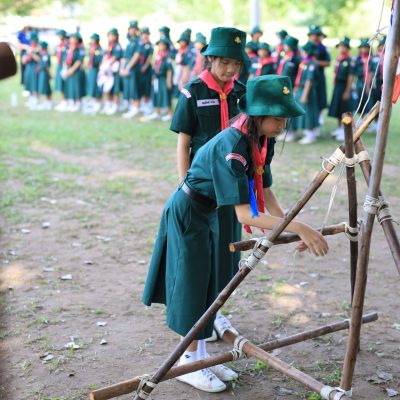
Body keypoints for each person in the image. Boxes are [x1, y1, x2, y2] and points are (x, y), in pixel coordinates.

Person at [142, 74, 329, 393]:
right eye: (277, 117)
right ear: (257, 115)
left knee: (210, 282)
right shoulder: (233, 147)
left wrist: (289, 225)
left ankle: (201, 356)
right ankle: (187, 362)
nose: (283, 124)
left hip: (210, 211)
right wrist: (299, 227)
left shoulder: (259, 139)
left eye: (285, 117)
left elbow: (264, 189)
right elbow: (246, 214)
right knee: (192, 284)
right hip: (190, 212)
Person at [170, 27, 249, 344]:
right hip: (202, 187)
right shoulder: (192, 92)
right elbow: (184, 142)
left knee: (227, 250)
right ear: (211, 59)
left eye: (236, 64)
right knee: (201, 252)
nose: (230, 70)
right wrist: (184, 181)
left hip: (231, 186)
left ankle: (217, 311)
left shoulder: (242, 93)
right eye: (224, 62)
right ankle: (200, 314)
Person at [292, 41, 320, 144]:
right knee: (303, 111)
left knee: (308, 112)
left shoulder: (312, 63)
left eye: (303, 50)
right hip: (301, 88)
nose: (301, 52)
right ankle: (305, 132)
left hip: (307, 91)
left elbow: (309, 80)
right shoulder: (304, 62)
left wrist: (304, 94)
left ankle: (310, 134)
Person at [328, 36, 355, 141]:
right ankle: (339, 129)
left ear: (347, 48)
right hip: (338, 87)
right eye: (339, 47)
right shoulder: (339, 59)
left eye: (343, 47)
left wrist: (347, 91)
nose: (340, 49)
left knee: (345, 110)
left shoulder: (349, 60)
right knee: (338, 109)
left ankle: (346, 131)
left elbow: (351, 76)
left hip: (344, 86)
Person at [307, 25, 330, 125]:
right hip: (307, 76)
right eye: (312, 35)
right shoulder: (306, 47)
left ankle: (319, 115)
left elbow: (327, 63)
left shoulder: (323, 48)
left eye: (316, 35)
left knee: (320, 96)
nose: (314, 37)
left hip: (319, 76)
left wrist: (315, 62)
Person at [148, 37, 174, 121]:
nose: (160, 46)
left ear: (166, 46)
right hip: (157, 78)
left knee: (166, 95)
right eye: (159, 44)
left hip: (164, 78)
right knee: (156, 94)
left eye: (162, 44)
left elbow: (169, 69)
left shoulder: (168, 55)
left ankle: (170, 113)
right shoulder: (157, 55)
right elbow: (154, 67)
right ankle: (156, 112)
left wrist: (169, 81)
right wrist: (153, 78)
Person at [121, 21, 142, 118]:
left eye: (134, 28)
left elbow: (136, 56)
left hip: (134, 69)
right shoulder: (129, 42)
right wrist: (122, 68)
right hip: (127, 68)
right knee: (129, 88)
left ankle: (136, 108)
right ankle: (132, 107)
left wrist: (127, 67)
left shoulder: (138, 41)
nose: (132, 30)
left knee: (135, 88)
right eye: (130, 29)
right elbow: (125, 57)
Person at [100, 28, 123, 115]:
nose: (111, 37)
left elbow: (115, 57)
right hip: (107, 71)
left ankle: (115, 105)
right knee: (107, 88)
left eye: (112, 35)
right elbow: (105, 56)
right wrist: (103, 66)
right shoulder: (108, 46)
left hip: (114, 71)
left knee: (115, 89)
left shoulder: (117, 46)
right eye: (109, 35)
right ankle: (108, 104)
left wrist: (107, 64)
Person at [63, 32, 84, 112]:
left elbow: (79, 60)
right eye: (71, 38)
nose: (71, 40)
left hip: (76, 71)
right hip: (68, 70)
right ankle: (71, 102)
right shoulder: (68, 48)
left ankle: (78, 103)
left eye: (73, 38)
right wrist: (65, 69)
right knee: (69, 87)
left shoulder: (80, 48)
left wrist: (71, 70)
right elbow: (65, 59)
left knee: (76, 87)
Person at [368, 36, 385, 131]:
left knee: (385, 102)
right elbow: (370, 71)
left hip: (386, 82)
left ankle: (382, 122)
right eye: (382, 45)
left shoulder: (391, 57)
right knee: (375, 101)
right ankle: (375, 122)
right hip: (376, 82)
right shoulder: (375, 58)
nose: (383, 47)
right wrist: (369, 84)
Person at [85, 33, 103, 114]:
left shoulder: (99, 49)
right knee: (91, 85)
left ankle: (98, 102)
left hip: (96, 69)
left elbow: (99, 60)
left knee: (96, 86)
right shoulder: (92, 48)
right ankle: (92, 100)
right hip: (91, 69)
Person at [138, 27, 154, 115]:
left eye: (146, 34)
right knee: (141, 86)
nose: (144, 36)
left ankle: (148, 104)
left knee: (147, 87)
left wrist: (145, 66)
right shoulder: (140, 44)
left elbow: (149, 57)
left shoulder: (149, 45)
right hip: (139, 68)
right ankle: (143, 104)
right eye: (143, 34)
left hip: (147, 69)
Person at [354, 38, 372, 114]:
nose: (363, 49)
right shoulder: (357, 59)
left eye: (365, 47)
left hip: (370, 82)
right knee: (359, 98)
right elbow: (353, 72)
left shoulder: (371, 58)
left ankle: (369, 116)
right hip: (359, 81)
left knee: (368, 99)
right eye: (362, 47)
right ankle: (361, 115)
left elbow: (371, 71)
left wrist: (368, 85)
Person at [22, 32, 40, 109]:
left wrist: (31, 53)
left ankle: (36, 100)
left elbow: (39, 59)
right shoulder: (28, 48)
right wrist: (26, 58)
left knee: (35, 84)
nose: (31, 42)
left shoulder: (38, 49)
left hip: (35, 68)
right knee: (29, 84)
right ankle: (31, 99)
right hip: (28, 68)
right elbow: (23, 60)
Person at [173, 32, 193, 97]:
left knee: (185, 89)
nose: (181, 43)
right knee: (179, 88)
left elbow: (186, 65)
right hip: (178, 71)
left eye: (183, 41)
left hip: (184, 72)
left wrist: (184, 76)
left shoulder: (188, 51)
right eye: (181, 41)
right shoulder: (179, 50)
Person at [54, 30, 69, 111]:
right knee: (60, 84)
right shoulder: (59, 45)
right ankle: (62, 100)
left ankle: (66, 100)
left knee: (65, 84)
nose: (59, 36)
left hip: (65, 66)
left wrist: (65, 68)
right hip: (59, 65)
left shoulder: (67, 45)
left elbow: (66, 57)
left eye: (60, 35)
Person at [35, 41, 52, 110]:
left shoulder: (45, 55)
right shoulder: (41, 54)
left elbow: (46, 66)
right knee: (43, 87)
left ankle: (48, 102)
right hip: (41, 73)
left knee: (46, 88)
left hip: (44, 73)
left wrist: (50, 74)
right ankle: (45, 102)